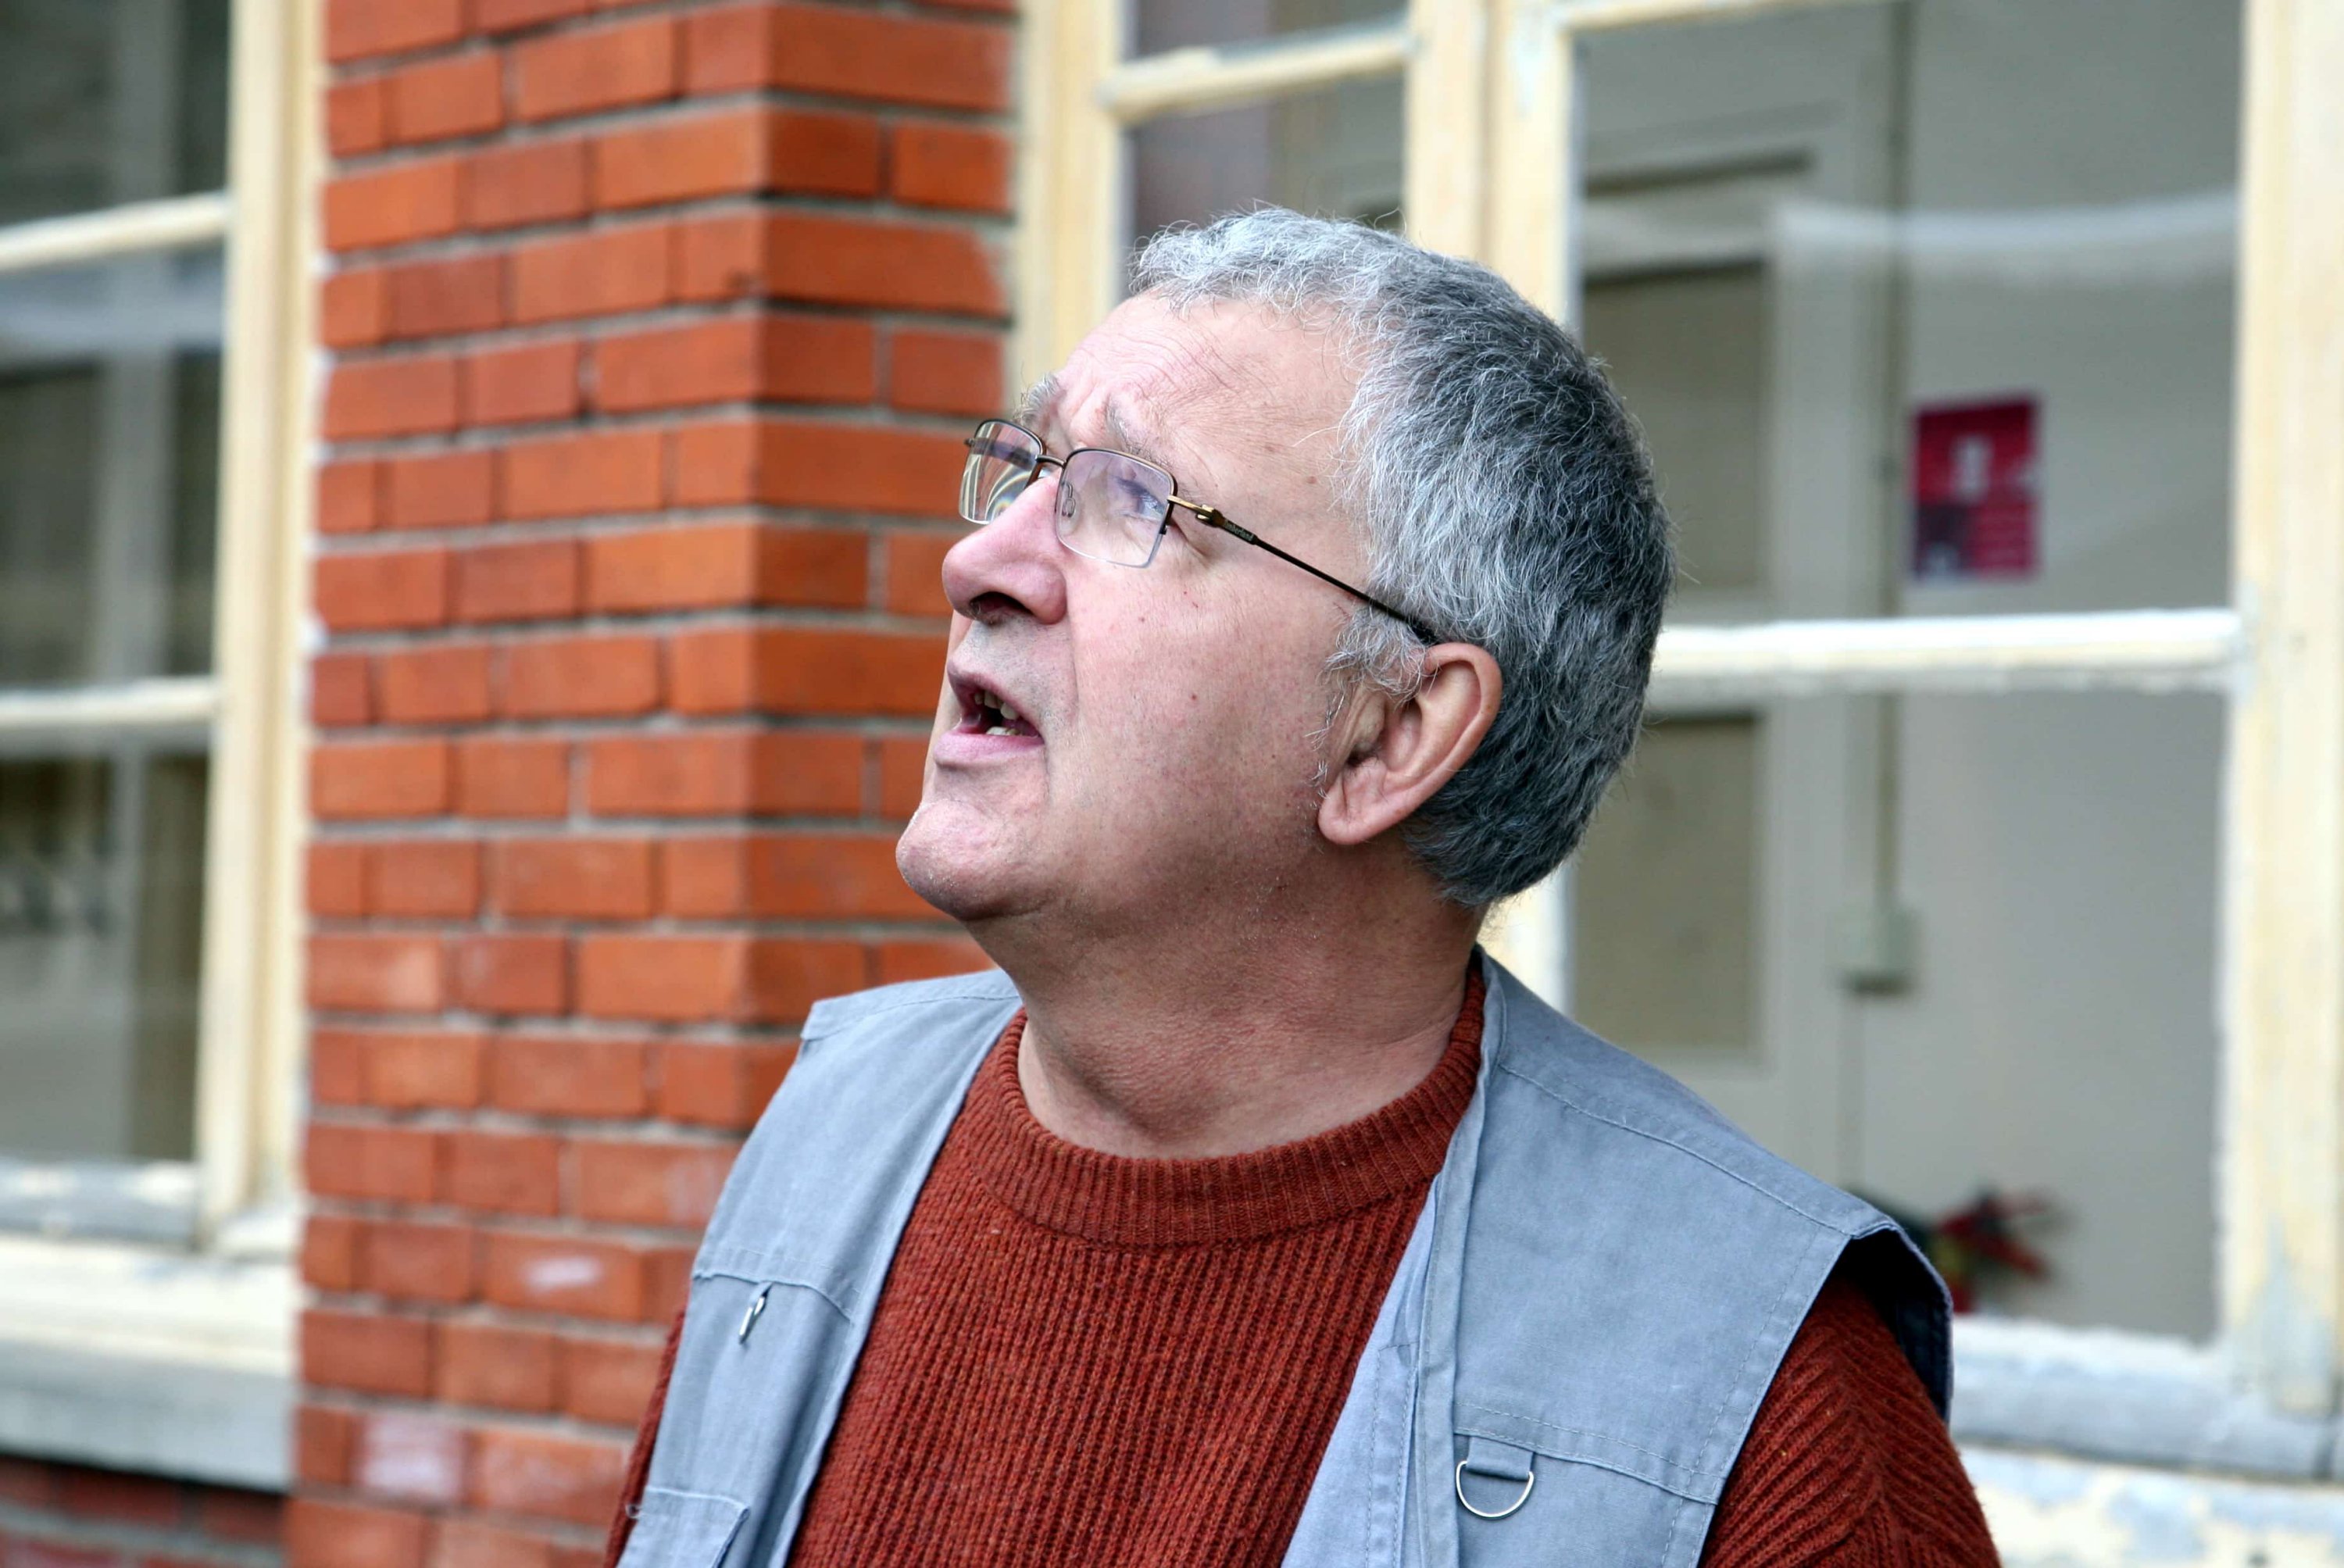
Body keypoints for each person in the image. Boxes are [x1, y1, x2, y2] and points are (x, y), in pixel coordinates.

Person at [602, 209, 1999, 1567]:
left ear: (1392, 734)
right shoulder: (833, 1130)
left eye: (1131, 501)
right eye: (1026, 467)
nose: (979, 564)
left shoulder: (1768, 1408)